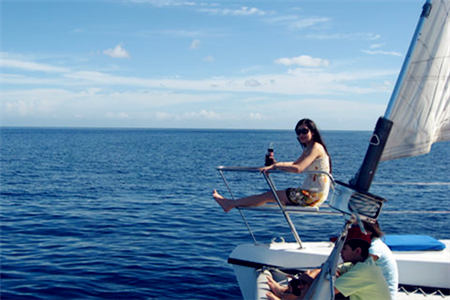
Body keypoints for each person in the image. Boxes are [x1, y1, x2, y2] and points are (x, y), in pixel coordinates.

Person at [213, 119, 332, 212]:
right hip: (311, 194)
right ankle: (231, 203)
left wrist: (275, 167)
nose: (301, 135)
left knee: (268, 196)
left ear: (313, 132)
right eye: (298, 132)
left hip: (312, 196)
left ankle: (230, 204)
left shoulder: (316, 147)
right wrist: (275, 163)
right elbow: (295, 163)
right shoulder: (309, 148)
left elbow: (298, 168)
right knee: (269, 196)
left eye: (304, 131)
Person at [266, 227, 391, 300]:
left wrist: (308, 280)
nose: (340, 252)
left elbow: (328, 291)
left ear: (357, 251)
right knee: (320, 281)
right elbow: (329, 270)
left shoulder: (363, 271)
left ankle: (286, 297)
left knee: (319, 292)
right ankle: (285, 294)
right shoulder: (358, 265)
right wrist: (308, 278)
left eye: (344, 249)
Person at [364, 221, 399, 300]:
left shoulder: (374, 248)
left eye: (355, 227)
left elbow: (360, 268)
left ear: (369, 231)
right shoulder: (374, 243)